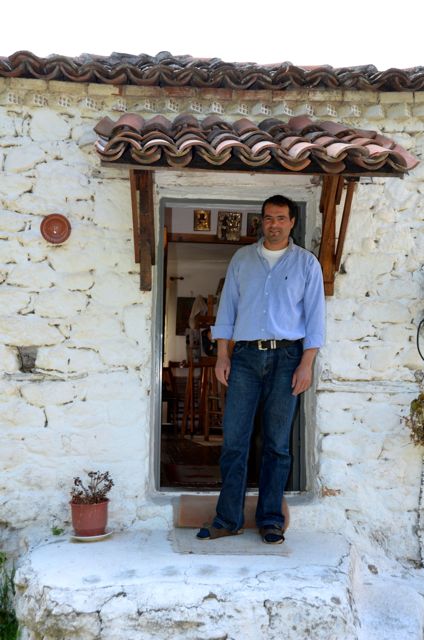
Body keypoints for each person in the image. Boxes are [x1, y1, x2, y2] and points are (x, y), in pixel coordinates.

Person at [196, 194, 325, 544]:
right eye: (269, 218)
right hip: (245, 359)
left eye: (281, 218)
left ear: (292, 222)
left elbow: (315, 319)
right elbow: (227, 310)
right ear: (261, 221)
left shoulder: (306, 264)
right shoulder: (242, 259)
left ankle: (270, 520)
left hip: (287, 359)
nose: (274, 224)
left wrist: (306, 364)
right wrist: (223, 356)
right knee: (234, 441)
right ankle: (228, 519)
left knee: (277, 444)